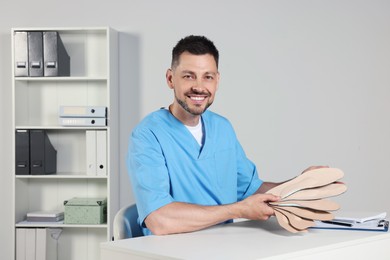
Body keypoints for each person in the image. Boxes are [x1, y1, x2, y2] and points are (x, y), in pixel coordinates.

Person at [127, 35, 319, 236]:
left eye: (207, 76)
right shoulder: (148, 135)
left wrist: (301, 183)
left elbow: (251, 189)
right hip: (171, 252)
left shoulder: (222, 128)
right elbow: (160, 220)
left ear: (217, 81)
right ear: (170, 79)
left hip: (225, 246)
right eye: (189, 76)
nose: (199, 86)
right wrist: (237, 209)